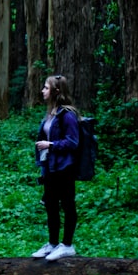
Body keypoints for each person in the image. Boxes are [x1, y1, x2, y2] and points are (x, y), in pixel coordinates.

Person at [32, 74, 80, 261]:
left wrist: (50, 144)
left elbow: (73, 142)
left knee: (67, 205)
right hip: (50, 167)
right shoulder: (50, 113)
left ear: (56, 91)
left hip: (65, 168)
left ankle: (67, 245)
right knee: (51, 205)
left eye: (46, 87)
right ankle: (52, 244)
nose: (43, 91)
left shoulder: (67, 115)